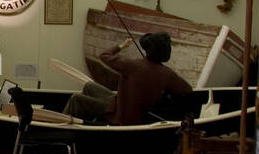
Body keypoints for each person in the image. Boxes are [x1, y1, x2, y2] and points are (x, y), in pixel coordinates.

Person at [63, 31, 191, 124]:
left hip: (120, 115)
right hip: (121, 105)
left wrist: (121, 46)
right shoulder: (167, 74)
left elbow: (104, 55)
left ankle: (61, 130)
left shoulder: (133, 65)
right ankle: (91, 122)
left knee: (76, 99)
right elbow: (187, 89)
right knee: (89, 86)